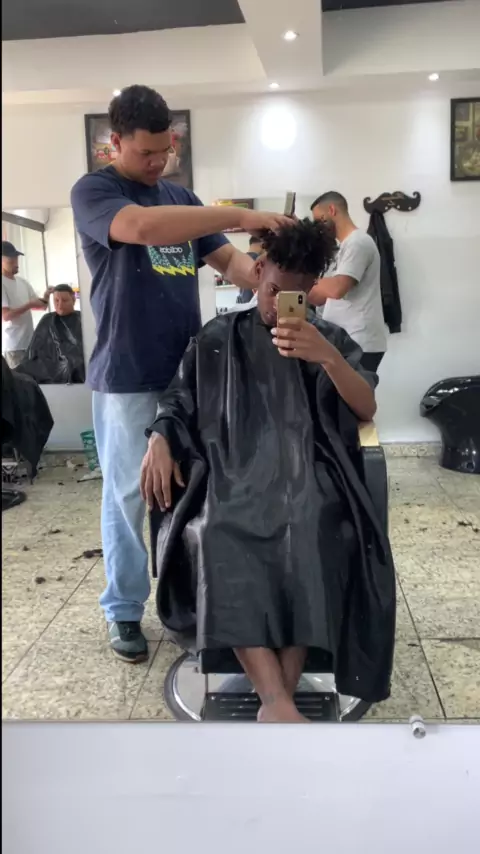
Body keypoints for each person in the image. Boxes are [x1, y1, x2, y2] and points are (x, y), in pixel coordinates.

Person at [141, 219, 396, 723]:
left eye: (296, 296)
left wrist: (328, 358)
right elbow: (177, 399)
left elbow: (365, 407)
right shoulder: (217, 338)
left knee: (311, 524)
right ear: (258, 271)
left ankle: (278, 699)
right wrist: (159, 437)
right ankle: (278, 700)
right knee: (218, 530)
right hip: (230, 471)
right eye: (274, 290)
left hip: (308, 471)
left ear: (312, 292)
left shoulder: (329, 339)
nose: (280, 305)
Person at [70, 84, 292, 663]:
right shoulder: (95, 192)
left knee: (193, 487)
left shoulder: (179, 195)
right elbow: (143, 229)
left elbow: (231, 263)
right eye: (144, 152)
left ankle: (193, 597)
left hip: (188, 373)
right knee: (129, 494)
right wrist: (242, 214)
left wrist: (276, 278)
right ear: (114, 143)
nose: (156, 162)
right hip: (127, 373)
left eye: (164, 150)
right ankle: (123, 608)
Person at [309, 192, 387, 373]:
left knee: (353, 392)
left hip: (360, 342)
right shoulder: (343, 247)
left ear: (332, 210)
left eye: (320, 219)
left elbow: (337, 289)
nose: (319, 227)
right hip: (345, 341)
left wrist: (305, 282)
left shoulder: (358, 243)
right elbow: (320, 298)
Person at [15, 285, 85, 384]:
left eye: (65, 300)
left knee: (73, 365)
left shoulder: (82, 318)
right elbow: (34, 348)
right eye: (56, 301)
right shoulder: (47, 319)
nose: (60, 305)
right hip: (48, 361)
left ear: (73, 300)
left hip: (73, 361)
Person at [2, 240, 53, 369]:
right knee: (19, 380)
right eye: (11, 260)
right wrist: (28, 305)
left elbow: (42, 306)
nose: (16, 263)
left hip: (30, 344)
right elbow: (5, 316)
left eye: (16, 259)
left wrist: (46, 296)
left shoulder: (23, 282)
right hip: (14, 347)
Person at [236, 236, 264, 304]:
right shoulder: (259, 261)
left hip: (243, 303)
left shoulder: (240, 260)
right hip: (254, 304)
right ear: (262, 244)